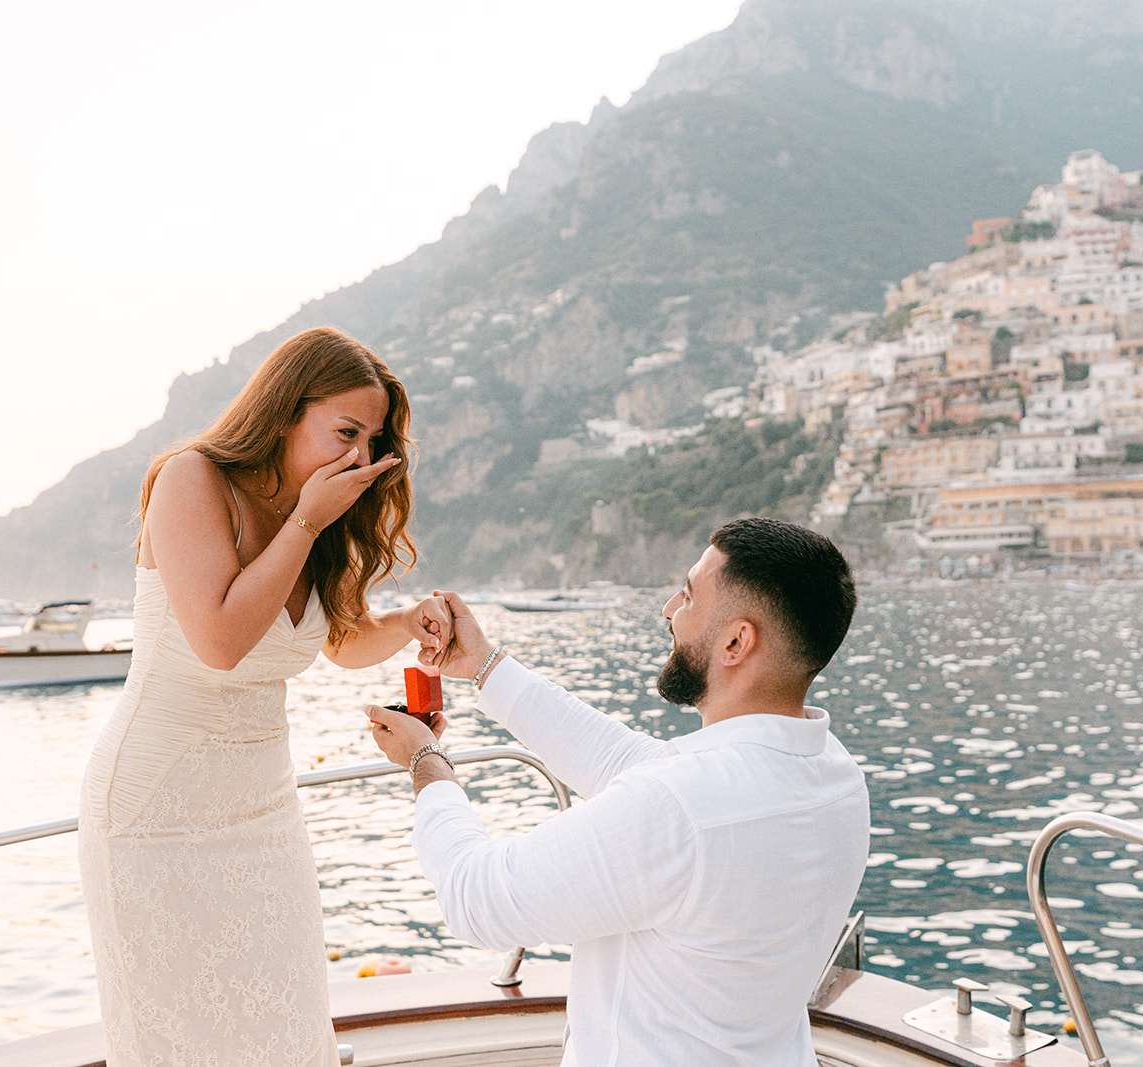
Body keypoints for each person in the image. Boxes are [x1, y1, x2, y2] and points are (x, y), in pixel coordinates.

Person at [80, 326, 452, 1067]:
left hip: (264, 814)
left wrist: (410, 623)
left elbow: (341, 641)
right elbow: (222, 640)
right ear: (286, 411)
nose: (357, 455)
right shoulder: (192, 480)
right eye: (344, 431)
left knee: (288, 1031)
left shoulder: (320, 516)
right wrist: (306, 520)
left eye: (371, 439)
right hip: (156, 816)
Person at [369, 518, 869, 1066]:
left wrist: (425, 762)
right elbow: (620, 759)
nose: (669, 609)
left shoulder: (683, 808)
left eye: (689, 593)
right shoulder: (835, 775)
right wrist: (485, 666)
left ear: (735, 641)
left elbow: (475, 898)